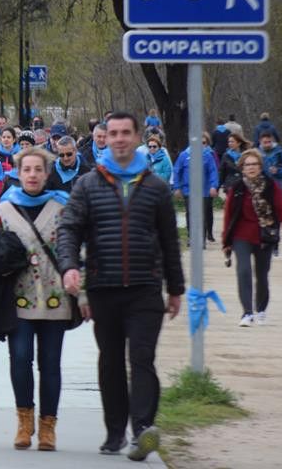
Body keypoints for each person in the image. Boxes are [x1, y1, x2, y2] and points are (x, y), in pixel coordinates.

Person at [56, 111, 184, 462]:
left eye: (126, 132)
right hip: (103, 287)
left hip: (145, 287)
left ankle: (142, 430)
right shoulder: (88, 184)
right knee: (111, 361)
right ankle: (114, 433)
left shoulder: (156, 188)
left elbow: (170, 241)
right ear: (105, 138)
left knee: (142, 358)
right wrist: (69, 268)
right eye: (113, 133)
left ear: (137, 136)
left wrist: (175, 288)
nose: (120, 139)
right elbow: (69, 230)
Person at [0, 148, 71, 452]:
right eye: (27, 170)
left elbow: (75, 245)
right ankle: (24, 422)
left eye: (39, 169)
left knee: (51, 364)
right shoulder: (5, 208)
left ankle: (48, 427)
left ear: (47, 173)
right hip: (19, 298)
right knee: (21, 359)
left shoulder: (62, 207)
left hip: (55, 298)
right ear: (18, 172)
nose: (33, 175)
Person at [222, 149, 282, 326]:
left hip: (265, 234)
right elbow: (228, 214)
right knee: (244, 271)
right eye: (247, 165)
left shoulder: (270, 186)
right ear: (242, 168)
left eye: (255, 164)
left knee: (262, 275)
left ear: (260, 166)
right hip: (242, 235)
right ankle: (247, 313)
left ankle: (261, 309)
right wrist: (226, 241)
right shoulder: (238, 188)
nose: (251, 167)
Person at [172, 133, 219, 243]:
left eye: (203, 143)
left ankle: (201, 238)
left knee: (202, 214)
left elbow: (213, 171)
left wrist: (213, 186)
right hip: (188, 190)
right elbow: (177, 171)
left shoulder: (208, 156)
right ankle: (191, 237)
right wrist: (177, 187)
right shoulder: (184, 155)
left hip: (204, 191)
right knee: (190, 213)